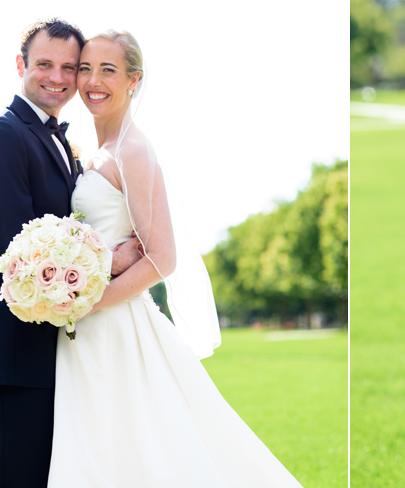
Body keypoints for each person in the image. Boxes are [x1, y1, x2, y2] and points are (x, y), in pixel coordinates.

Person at [47, 30, 302, 487]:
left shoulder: (134, 151)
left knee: (139, 448)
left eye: (108, 70)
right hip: (84, 325)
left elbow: (163, 258)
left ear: (134, 80)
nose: (92, 81)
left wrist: (90, 302)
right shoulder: (96, 151)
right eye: (85, 68)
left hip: (114, 327)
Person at [0, 18, 143, 488]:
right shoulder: (1, 137)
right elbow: (17, 253)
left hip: (55, 347)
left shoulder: (58, 141)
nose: (57, 77)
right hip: (15, 350)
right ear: (21, 65)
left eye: (68, 67)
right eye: (44, 64)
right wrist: (110, 261)